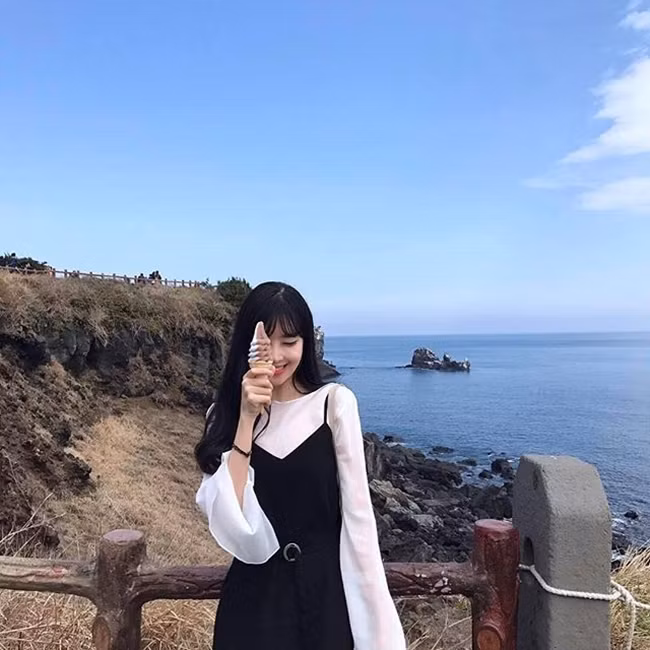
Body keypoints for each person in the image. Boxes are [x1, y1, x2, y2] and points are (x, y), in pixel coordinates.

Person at [194, 281, 406, 650]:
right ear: (246, 344)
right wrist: (246, 418)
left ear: (306, 344)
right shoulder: (222, 417)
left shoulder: (333, 404)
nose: (276, 356)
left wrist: (379, 636)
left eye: (289, 342)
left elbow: (358, 522)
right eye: (266, 343)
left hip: (324, 599)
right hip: (252, 606)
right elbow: (231, 523)